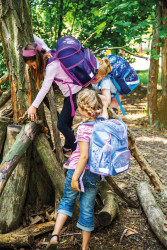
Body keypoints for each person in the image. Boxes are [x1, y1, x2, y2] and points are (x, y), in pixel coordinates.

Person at [46, 89, 108, 250]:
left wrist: (75, 178)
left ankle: (54, 236)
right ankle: (85, 247)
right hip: (94, 174)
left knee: (67, 201)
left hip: (77, 171)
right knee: (87, 209)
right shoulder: (102, 125)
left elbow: (84, 156)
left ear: (81, 109)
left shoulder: (83, 129)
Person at [22, 40, 82, 156]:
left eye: (33, 65)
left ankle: (78, 152)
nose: (34, 68)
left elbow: (45, 88)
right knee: (67, 123)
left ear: (38, 58)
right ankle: (67, 148)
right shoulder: (48, 52)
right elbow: (41, 41)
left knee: (61, 125)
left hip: (72, 94)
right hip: (71, 93)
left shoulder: (51, 66)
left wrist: (34, 106)